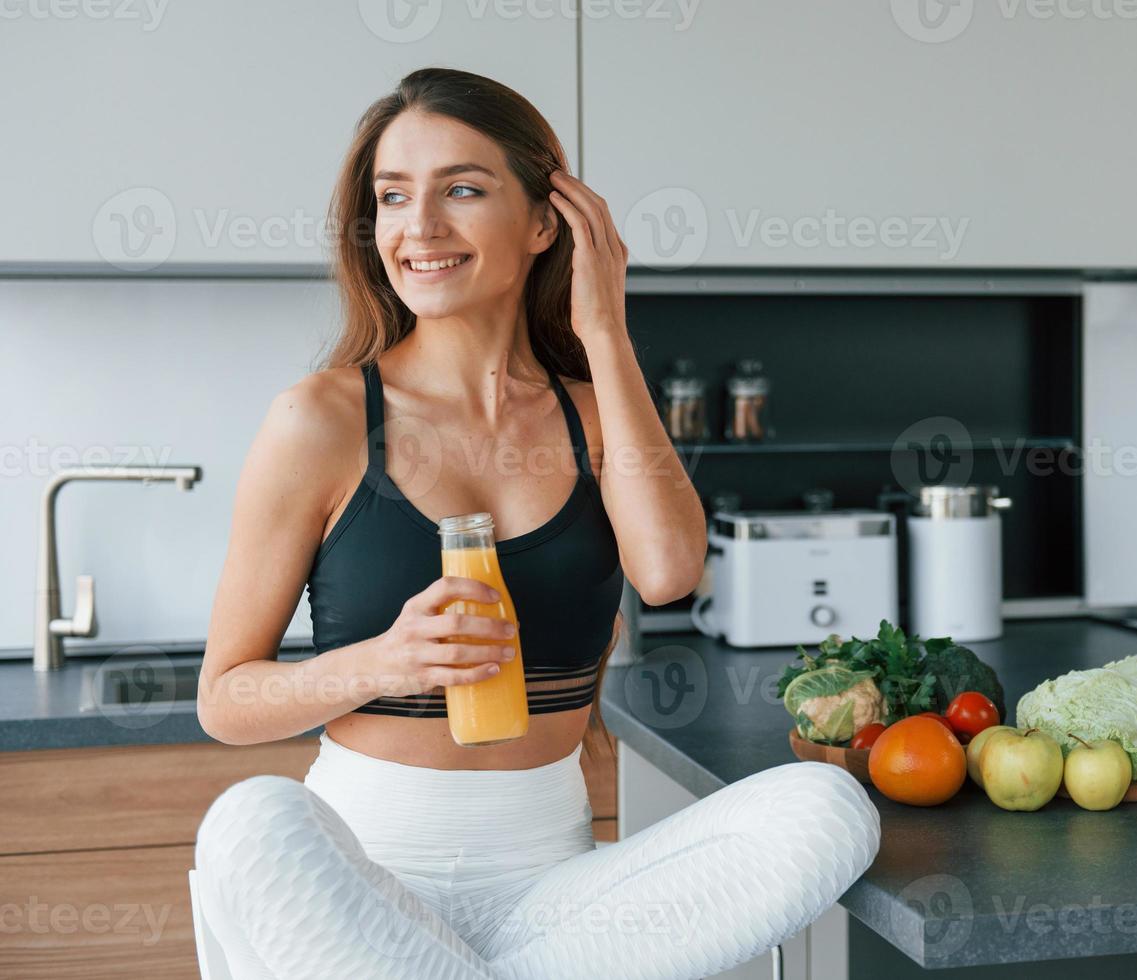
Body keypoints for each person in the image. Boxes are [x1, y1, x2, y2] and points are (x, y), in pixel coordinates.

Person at [193, 67, 879, 979]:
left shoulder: (592, 417)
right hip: (356, 885)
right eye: (393, 197)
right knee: (251, 819)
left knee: (827, 807)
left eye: (462, 190)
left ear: (547, 221)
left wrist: (606, 329)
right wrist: (383, 663)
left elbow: (671, 571)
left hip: (555, 901)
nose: (419, 228)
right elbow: (224, 700)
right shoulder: (319, 421)